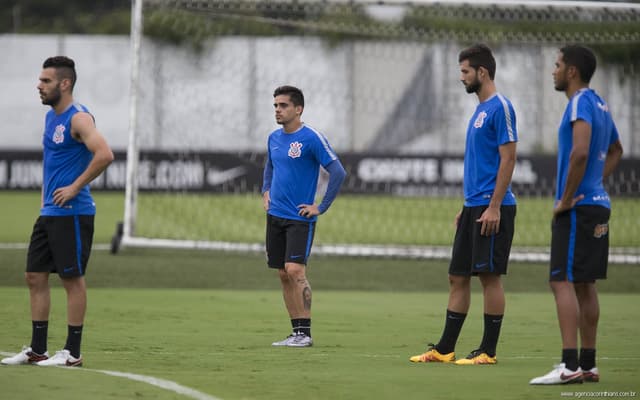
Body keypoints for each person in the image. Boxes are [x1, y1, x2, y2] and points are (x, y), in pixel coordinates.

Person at [1, 56, 114, 367]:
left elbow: (105, 154)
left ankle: (72, 353)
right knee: (34, 276)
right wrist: (44, 200)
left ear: (64, 84)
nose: (39, 86)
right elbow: (53, 163)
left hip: (74, 213)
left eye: (46, 81)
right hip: (50, 213)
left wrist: (75, 187)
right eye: (40, 80)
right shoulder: (51, 117)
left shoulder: (79, 119)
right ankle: (38, 349)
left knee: (71, 279)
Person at [410, 44, 518, 365]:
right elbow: (480, 164)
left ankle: (488, 350)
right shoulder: (479, 110)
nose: (461, 78)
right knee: (457, 276)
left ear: (481, 72)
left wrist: (494, 206)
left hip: (492, 208)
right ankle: (444, 349)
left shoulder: (501, 107)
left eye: (465, 71)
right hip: (474, 206)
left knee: (489, 277)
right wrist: (467, 206)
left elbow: (508, 158)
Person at [530, 45, 623, 385]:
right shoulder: (601, 103)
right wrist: (596, 183)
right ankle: (589, 364)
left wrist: (565, 199)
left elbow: (581, 151)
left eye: (556, 65)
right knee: (585, 283)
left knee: (561, 280)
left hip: (579, 207)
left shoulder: (580, 102)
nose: (553, 71)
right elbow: (616, 150)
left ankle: (569, 366)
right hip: (598, 202)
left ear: (571, 71)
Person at [262, 85, 346, 347]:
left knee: (295, 270)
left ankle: (306, 333)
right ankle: (296, 332)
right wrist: (265, 190)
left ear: (298, 109)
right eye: (275, 105)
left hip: (300, 217)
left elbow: (338, 171)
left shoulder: (311, 138)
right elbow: (270, 165)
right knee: (283, 274)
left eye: (283, 105)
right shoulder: (274, 138)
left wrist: (321, 206)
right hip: (275, 215)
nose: (277, 110)